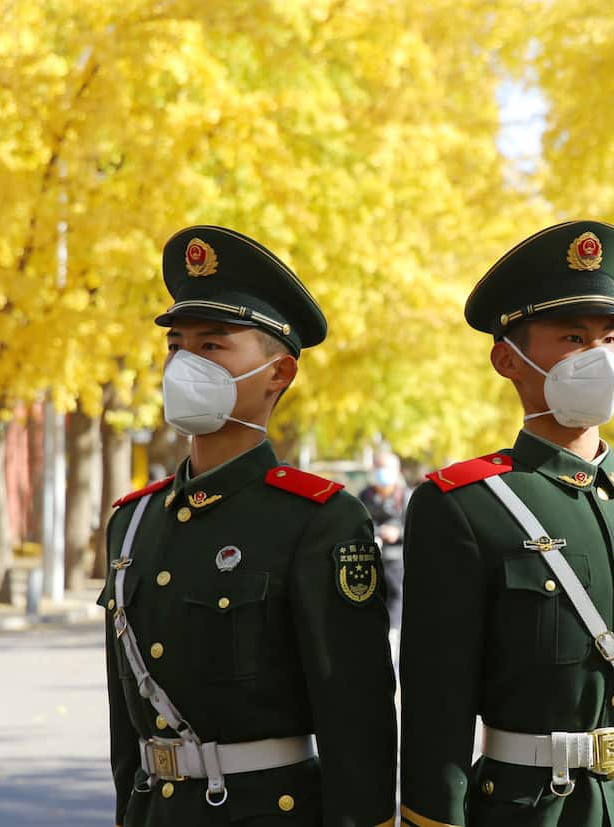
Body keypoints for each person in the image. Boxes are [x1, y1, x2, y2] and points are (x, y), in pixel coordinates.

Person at [400, 221, 614, 827]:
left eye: (610, 338)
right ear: (507, 360)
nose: (600, 358)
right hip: (527, 808)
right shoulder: (464, 506)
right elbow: (438, 707)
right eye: (572, 337)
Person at [99, 226, 396, 827]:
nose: (184, 363)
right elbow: (123, 724)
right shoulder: (133, 522)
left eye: (213, 347)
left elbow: (356, 717)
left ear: (277, 375)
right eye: (176, 346)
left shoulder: (318, 520)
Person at [358, 451, 410, 632]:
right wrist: (378, 532)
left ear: (397, 471)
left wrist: (398, 532)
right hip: (370, 561)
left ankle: (394, 634)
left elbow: (416, 527)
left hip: (397, 561)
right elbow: (358, 525)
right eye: (379, 467)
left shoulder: (406, 497)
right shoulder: (364, 496)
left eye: (386, 467)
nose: (382, 472)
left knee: (397, 598)